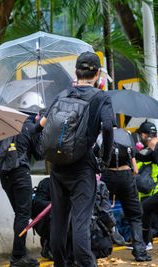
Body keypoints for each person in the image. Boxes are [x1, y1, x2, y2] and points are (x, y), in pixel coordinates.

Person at [40, 51, 115, 267]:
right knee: (81, 221)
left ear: (75, 72)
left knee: (59, 220)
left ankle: (60, 264)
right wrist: (105, 159)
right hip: (82, 167)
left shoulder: (63, 94)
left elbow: (41, 125)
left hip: (57, 166)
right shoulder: (101, 97)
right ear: (98, 74)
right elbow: (108, 127)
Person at [95, 127, 152, 262]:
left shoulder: (101, 136)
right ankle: (140, 252)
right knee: (135, 216)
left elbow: (95, 158)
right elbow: (135, 169)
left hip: (108, 176)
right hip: (126, 175)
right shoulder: (127, 134)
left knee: (97, 211)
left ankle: (98, 249)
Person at [0, 106, 45, 267]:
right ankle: (18, 257)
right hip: (20, 174)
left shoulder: (7, 125)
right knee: (23, 215)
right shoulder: (30, 127)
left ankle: (20, 254)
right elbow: (39, 154)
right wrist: (40, 132)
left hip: (4, 175)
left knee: (20, 214)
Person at [136, 157, 158, 250]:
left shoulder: (141, 162)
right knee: (153, 226)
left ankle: (146, 241)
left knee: (153, 226)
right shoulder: (157, 160)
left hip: (153, 195)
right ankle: (146, 241)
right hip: (155, 195)